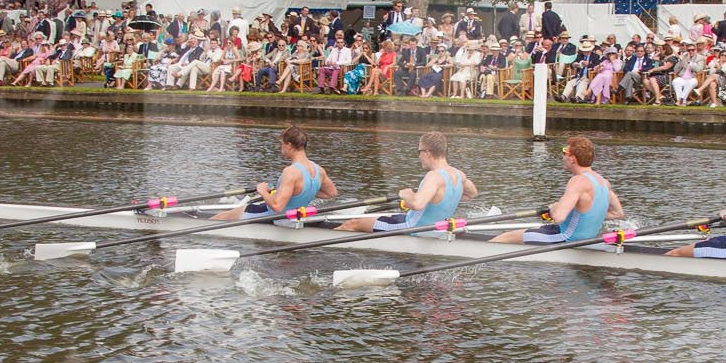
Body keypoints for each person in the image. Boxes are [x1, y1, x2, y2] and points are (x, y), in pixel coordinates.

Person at [495, 136, 626, 245]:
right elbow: (617, 214)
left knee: (502, 239)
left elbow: (558, 216)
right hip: (585, 239)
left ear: (572, 159)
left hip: (566, 238)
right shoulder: (603, 182)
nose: (563, 157)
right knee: (530, 230)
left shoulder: (578, 181)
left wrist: (554, 207)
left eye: (565, 153)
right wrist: (588, 215)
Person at [338, 131, 474, 232]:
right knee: (388, 216)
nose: (419, 156)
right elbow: (471, 194)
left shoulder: (434, 176)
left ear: (427, 152)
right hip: (434, 230)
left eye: (419, 151)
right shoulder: (459, 175)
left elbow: (417, 204)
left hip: (412, 229)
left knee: (353, 223)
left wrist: (406, 194)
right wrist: (437, 198)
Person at [208, 125, 339, 222]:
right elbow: (331, 193)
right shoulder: (319, 170)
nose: (281, 148)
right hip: (295, 217)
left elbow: (277, 206)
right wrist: (298, 191)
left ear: (288, 145)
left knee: (221, 217)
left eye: (281, 144)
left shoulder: (291, 172)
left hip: (275, 216)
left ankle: (196, 227)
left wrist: (262, 190)